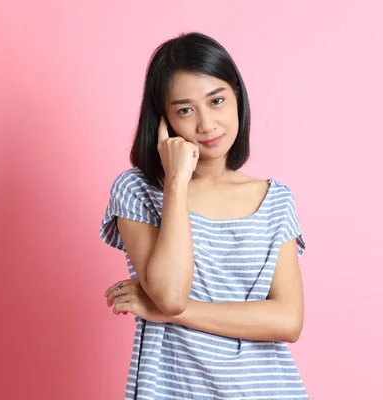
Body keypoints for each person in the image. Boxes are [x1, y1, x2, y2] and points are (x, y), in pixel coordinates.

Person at [100, 32, 308, 399]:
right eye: (185, 110)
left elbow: (288, 321)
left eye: (216, 101)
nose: (207, 124)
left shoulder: (275, 200)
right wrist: (176, 182)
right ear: (163, 120)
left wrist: (168, 312)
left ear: (237, 98)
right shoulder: (137, 190)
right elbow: (169, 294)